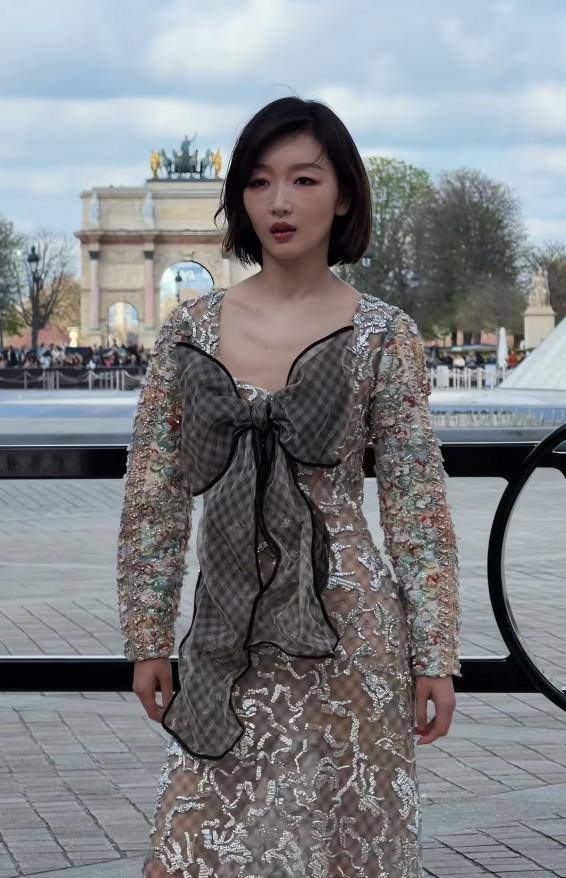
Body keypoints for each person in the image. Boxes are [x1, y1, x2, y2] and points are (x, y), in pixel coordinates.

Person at [117, 96, 462, 878]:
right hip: (228, 635)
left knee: (345, 854)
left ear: (342, 196)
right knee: (188, 851)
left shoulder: (386, 334)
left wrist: (435, 654)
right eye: (259, 181)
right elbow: (154, 497)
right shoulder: (189, 331)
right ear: (240, 196)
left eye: (304, 180)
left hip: (352, 638)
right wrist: (147, 637)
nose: (279, 201)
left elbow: (416, 508)